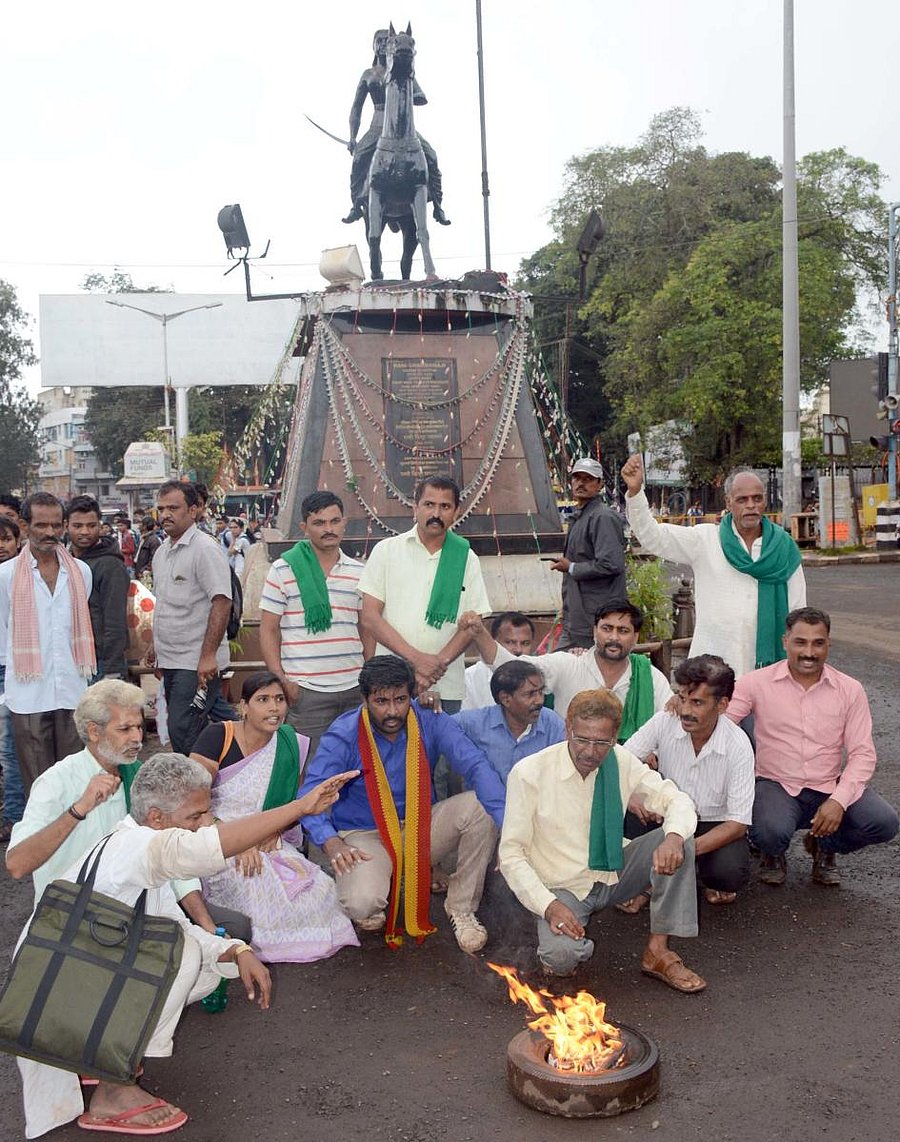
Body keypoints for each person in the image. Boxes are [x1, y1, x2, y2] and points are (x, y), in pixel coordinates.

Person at [15, 751, 354, 1139]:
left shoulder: (139, 844)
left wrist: (238, 950)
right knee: (183, 958)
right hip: (51, 1000)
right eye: (196, 817)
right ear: (157, 818)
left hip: (66, 988)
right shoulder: (135, 847)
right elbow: (208, 850)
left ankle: (99, 1055)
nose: (206, 823)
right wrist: (300, 807)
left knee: (198, 958)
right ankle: (112, 1090)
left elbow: (174, 926)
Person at [499, 689, 704, 991]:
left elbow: (675, 799)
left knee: (681, 838)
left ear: (614, 737)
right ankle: (561, 934)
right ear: (567, 729)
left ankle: (658, 952)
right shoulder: (529, 773)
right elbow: (511, 854)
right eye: (582, 739)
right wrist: (548, 905)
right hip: (563, 886)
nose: (590, 752)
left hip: (613, 870)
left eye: (601, 743)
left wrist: (673, 837)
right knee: (561, 959)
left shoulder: (620, 760)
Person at [299, 655, 506, 953]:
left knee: (481, 807)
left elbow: (474, 765)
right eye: (381, 701)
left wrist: (507, 827)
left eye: (400, 699)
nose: (393, 711)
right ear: (364, 699)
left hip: (421, 826)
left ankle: (461, 908)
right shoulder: (344, 733)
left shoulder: (429, 718)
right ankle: (376, 882)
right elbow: (311, 793)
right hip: (366, 834)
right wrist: (331, 843)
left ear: (413, 695)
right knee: (362, 904)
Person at [189, 672, 359, 963]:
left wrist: (274, 831)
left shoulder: (290, 744)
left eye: (279, 699)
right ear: (244, 707)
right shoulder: (219, 736)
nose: (274, 708)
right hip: (216, 836)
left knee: (320, 887)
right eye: (263, 700)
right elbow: (191, 804)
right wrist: (236, 841)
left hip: (268, 835)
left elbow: (296, 805)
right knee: (251, 881)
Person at [727, 607, 899, 887]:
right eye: (800, 642)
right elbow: (721, 722)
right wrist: (681, 702)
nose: (809, 652)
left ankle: (824, 845)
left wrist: (839, 800)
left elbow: (863, 754)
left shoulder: (850, 689)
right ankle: (772, 852)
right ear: (786, 642)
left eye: (818, 643)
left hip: (827, 784)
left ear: (828, 644)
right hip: (776, 784)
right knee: (770, 831)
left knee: (884, 823)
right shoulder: (755, 683)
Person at [621, 455, 806, 677]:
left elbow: (798, 611)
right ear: (728, 502)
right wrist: (635, 492)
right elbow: (654, 537)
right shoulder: (706, 540)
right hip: (712, 671)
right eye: (742, 499)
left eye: (757, 498)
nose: (751, 506)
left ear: (764, 501)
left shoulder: (783, 548)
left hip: (769, 669)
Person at [621, 655, 754, 910]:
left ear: (722, 705)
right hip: (665, 817)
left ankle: (660, 878)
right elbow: (621, 762)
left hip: (712, 825)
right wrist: (633, 796)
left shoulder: (738, 745)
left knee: (730, 873)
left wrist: (679, 848)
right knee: (625, 812)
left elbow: (737, 824)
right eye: (682, 698)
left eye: (697, 703)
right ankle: (667, 874)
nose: (685, 711)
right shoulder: (665, 721)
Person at [359, 476, 492, 712]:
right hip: (390, 685)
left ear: (456, 512)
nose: (436, 514)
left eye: (445, 506)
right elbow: (370, 617)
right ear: (415, 507)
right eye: (429, 504)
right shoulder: (387, 551)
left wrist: (434, 667)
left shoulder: (466, 557)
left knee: (442, 737)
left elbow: (473, 623)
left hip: (445, 683)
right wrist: (417, 660)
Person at [260, 491, 368, 762]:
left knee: (355, 765)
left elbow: (366, 627)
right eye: (319, 523)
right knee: (310, 769)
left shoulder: (359, 572)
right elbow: (269, 629)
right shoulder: (283, 570)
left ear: (344, 523)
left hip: (353, 688)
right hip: (306, 691)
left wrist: (368, 675)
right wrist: (282, 680)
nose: (328, 529)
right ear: (304, 527)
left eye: (334, 521)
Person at [0, 492, 93, 792]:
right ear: (24, 526)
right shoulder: (5, 576)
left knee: (76, 783)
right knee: (39, 787)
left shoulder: (81, 572)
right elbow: (3, 635)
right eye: (41, 525)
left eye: (56, 525)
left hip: (72, 690)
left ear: (64, 526)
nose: (49, 532)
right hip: (28, 694)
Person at [462, 600, 671, 721]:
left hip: (631, 769)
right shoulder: (568, 665)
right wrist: (480, 633)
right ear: (594, 631)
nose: (613, 637)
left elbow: (668, 719)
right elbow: (512, 668)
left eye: (623, 631)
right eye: (607, 629)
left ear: (635, 637)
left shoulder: (650, 678)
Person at [145, 481, 232, 755]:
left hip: (195, 662)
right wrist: (155, 646)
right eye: (161, 509)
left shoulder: (205, 548)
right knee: (188, 727)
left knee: (183, 728)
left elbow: (222, 601)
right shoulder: (162, 552)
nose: (165, 515)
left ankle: (201, 778)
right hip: (171, 658)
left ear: (193, 510)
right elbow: (165, 604)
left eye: (173, 508)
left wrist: (208, 656)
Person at [343, 27, 450, 226]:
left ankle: (438, 204)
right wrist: (352, 137)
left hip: (403, 127)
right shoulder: (368, 74)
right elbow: (356, 108)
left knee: (431, 155)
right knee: (359, 159)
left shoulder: (402, 69)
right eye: (379, 41)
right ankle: (356, 203)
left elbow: (420, 96)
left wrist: (408, 90)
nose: (383, 44)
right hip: (377, 127)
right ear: (373, 46)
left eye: (387, 41)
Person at [550, 458, 626, 650]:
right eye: (577, 478)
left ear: (599, 484)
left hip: (596, 618)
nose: (581, 483)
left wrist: (572, 567)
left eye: (588, 479)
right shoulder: (581, 515)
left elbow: (611, 564)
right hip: (577, 616)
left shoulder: (603, 517)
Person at [453, 660, 565, 785]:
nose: (539, 701)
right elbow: (439, 727)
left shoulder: (552, 723)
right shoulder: (475, 723)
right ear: (506, 699)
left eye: (540, 692)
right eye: (530, 694)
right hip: (484, 798)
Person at [67, 494, 129, 682]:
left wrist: (112, 669)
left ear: (100, 526)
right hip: (72, 657)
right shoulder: (65, 562)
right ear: (66, 526)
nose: (85, 532)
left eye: (91, 525)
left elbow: (115, 620)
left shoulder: (110, 565)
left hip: (102, 661)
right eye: (78, 526)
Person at [0, 513, 25, 841]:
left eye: (6, 539)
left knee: (9, 748)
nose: (1, 546)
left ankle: (15, 815)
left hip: (12, 668)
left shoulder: (23, 577)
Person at [462, 611, 534, 711]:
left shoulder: (539, 678)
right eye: (510, 642)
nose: (518, 650)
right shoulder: (469, 679)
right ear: (493, 643)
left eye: (525, 643)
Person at [134, 514, 162, 581]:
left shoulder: (153, 540)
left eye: (140, 524)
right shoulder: (143, 538)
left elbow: (154, 558)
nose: (138, 526)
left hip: (145, 574)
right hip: (139, 570)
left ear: (145, 526)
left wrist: (146, 570)